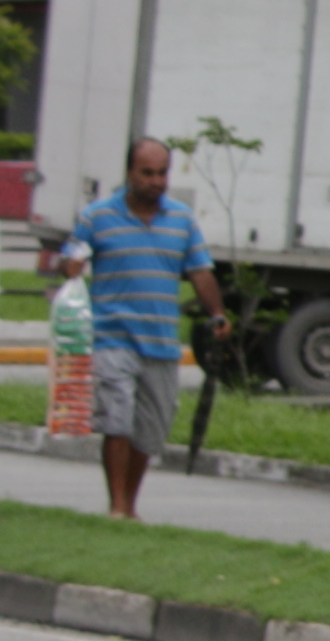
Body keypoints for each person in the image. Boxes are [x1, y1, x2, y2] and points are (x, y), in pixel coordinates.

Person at [43, 137, 229, 521]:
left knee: (150, 428)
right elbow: (67, 258)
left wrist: (217, 313)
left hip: (160, 341)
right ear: (129, 173)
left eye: (162, 173)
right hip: (113, 336)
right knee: (118, 419)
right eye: (147, 173)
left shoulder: (181, 219)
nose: (156, 181)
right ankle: (118, 507)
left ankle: (131, 502)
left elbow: (199, 270)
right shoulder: (98, 216)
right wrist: (69, 267)